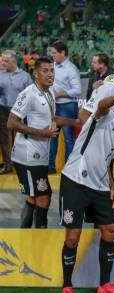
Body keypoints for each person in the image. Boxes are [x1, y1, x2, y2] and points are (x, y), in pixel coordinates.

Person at [58, 75, 114, 293]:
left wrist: (111, 184)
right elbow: (103, 104)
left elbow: (107, 160)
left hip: (99, 186)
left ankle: (104, 283)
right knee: (73, 237)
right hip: (75, 181)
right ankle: (67, 287)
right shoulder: (104, 117)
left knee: (110, 230)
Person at [7, 57, 76, 228]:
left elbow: (52, 119)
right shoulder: (28, 93)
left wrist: (76, 122)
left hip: (41, 154)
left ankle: (25, 235)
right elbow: (11, 122)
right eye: (45, 71)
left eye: (52, 70)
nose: (50, 74)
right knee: (44, 196)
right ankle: (40, 233)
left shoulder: (50, 93)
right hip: (28, 155)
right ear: (35, 74)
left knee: (33, 197)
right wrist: (41, 132)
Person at [49, 40, 82, 174]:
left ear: (63, 53)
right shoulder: (52, 66)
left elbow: (78, 90)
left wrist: (60, 93)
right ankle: (50, 166)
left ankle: (69, 168)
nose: (52, 55)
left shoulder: (71, 69)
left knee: (69, 139)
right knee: (52, 136)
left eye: (54, 53)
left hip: (68, 107)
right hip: (54, 107)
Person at [0, 50, 32, 174]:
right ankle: (8, 165)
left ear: (14, 62)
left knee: (23, 137)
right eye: (2, 60)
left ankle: (24, 163)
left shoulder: (25, 76)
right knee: (4, 138)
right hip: (2, 109)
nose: (3, 63)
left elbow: (31, 95)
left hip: (20, 111)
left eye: (6, 61)